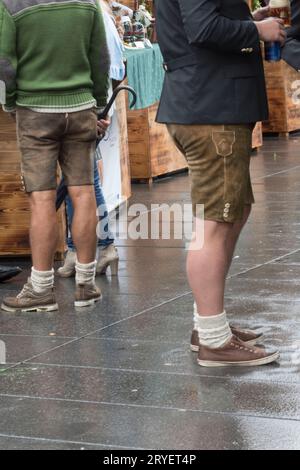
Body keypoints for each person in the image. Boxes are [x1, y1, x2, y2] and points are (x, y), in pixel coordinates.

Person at [155, 0, 286, 367]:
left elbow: (200, 23)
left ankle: (210, 325)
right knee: (215, 222)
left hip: (211, 103)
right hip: (212, 107)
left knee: (233, 212)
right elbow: (203, 29)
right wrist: (256, 31)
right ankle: (214, 339)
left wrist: (247, 21)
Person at [0, 0, 110, 312]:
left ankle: (41, 288)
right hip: (80, 107)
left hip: (34, 109)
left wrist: (9, 103)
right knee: (84, 191)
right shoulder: (88, 3)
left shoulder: (11, 4)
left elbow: (4, 64)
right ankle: (86, 284)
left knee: (42, 199)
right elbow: (100, 58)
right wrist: (99, 103)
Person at [58, 0, 125, 279]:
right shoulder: (95, 10)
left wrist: (98, 108)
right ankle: (91, 247)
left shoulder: (90, 10)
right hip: (86, 105)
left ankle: (90, 247)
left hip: (83, 106)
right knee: (82, 180)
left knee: (82, 181)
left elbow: (105, 64)